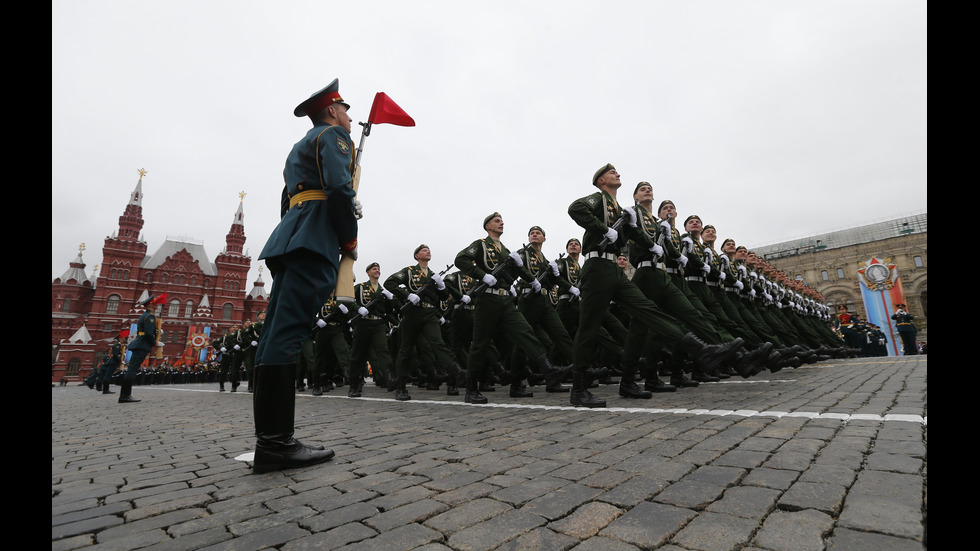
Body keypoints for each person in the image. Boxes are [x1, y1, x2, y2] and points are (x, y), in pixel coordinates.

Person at [251, 78, 360, 473]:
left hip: (291, 239)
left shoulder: (299, 147)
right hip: (314, 241)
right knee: (290, 335)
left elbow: (288, 201)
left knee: (275, 334)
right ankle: (277, 444)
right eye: (346, 109)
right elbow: (338, 189)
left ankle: (271, 440)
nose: (350, 116)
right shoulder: (334, 137)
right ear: (332, 110)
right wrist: (348, 237)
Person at [566, 165, 741, 407]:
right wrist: (604, 228)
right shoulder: (599, 199)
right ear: (601, 180)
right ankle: (578, 388)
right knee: (589, 328)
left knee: (649, 310)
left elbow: (634, 233)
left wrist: (652, 244)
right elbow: (575, 209)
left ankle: (701, 349)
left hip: (614, 272)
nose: (617, 174)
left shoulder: (619, 209)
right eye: (612, 173)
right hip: (596, 266)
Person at [454, 213, 570, 403]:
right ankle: (471, 388)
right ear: (487, 226)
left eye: (501, 221)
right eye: (496, 221)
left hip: (506, 300)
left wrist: (532, 280)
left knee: (525, 332)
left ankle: (548, 368)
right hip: (488, 300)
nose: (501, 223)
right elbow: (461, 259)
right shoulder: (481, 244)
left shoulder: (506, 250)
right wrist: (482, 275)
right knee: (480, 344)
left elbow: (519, 270)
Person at [383, 244, 467, 400]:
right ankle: (400, 387)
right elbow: (389, 283)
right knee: (406, 349)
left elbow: (442, 297)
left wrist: (441, 286)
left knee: (438, 344)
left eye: (428, 250)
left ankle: (457, 371)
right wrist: (407, 295)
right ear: (416, 256)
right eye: (423, 250)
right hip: (413, 313)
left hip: (429, 313)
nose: (427, 251)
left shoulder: (434, 275)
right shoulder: (409, 271)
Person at [348, 262, 398, 396]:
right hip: (363, 324)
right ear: (368, 272)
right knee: (358, 355)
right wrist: (358, 308)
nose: (377, 271)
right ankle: (354, 384)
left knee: (383, 351)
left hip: (378, 324)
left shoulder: (382, 291)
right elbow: (348, 300)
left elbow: (388, 311)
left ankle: (390, 379)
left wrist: (389, 300)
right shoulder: (360, 287)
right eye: (374, 269)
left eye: (378, 269)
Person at [119, 296, 160, 403]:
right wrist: (153, 343)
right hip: (142, 344)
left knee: (132, 369)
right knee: (132, 370)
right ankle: (125, 395)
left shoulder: (145, 315)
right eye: (155, 303)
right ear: (150, 305)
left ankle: (125, 395)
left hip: (140, 343)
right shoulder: (150, 317)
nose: (157, 305)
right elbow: (149, 334)